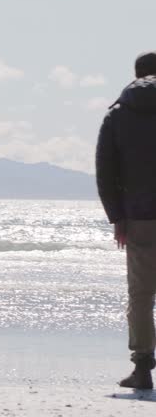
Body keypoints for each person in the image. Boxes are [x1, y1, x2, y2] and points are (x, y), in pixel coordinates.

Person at [96, 51, 156, 390]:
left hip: (140, 215)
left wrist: (117, 217)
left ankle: (143, 368)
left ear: (136, 74)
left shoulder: (119, 113)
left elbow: (106, 170)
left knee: (142, 294)